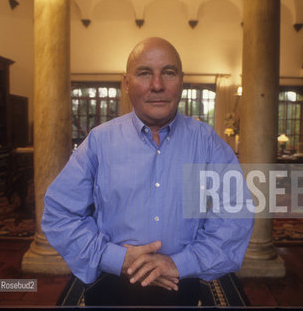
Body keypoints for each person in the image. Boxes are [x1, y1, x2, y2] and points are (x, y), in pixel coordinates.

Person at [42, 37, 253, 306]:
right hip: (110, 285)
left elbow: (236, 214)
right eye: (144, 73)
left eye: (168, 72)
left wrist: (178, 264)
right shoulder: (99, 142)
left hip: (180, 284)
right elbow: (58, 214)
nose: (157, 85)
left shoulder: (207, 142)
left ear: (181, 80)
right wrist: (117, 259)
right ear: (127, 83)